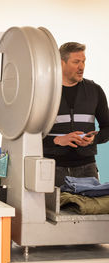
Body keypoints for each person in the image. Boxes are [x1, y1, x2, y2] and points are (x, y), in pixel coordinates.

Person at [43, 42, 109, 187]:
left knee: (89, 209)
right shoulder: (44, 92)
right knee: (54, 210)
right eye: (76, 62)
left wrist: (93, 139)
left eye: (83, 61)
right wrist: (57, 141)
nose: (82, 67)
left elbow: (107, 128)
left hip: (87, 169)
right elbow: (31, 135)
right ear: (61, 63)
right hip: (53, 168)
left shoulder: (95, 90)